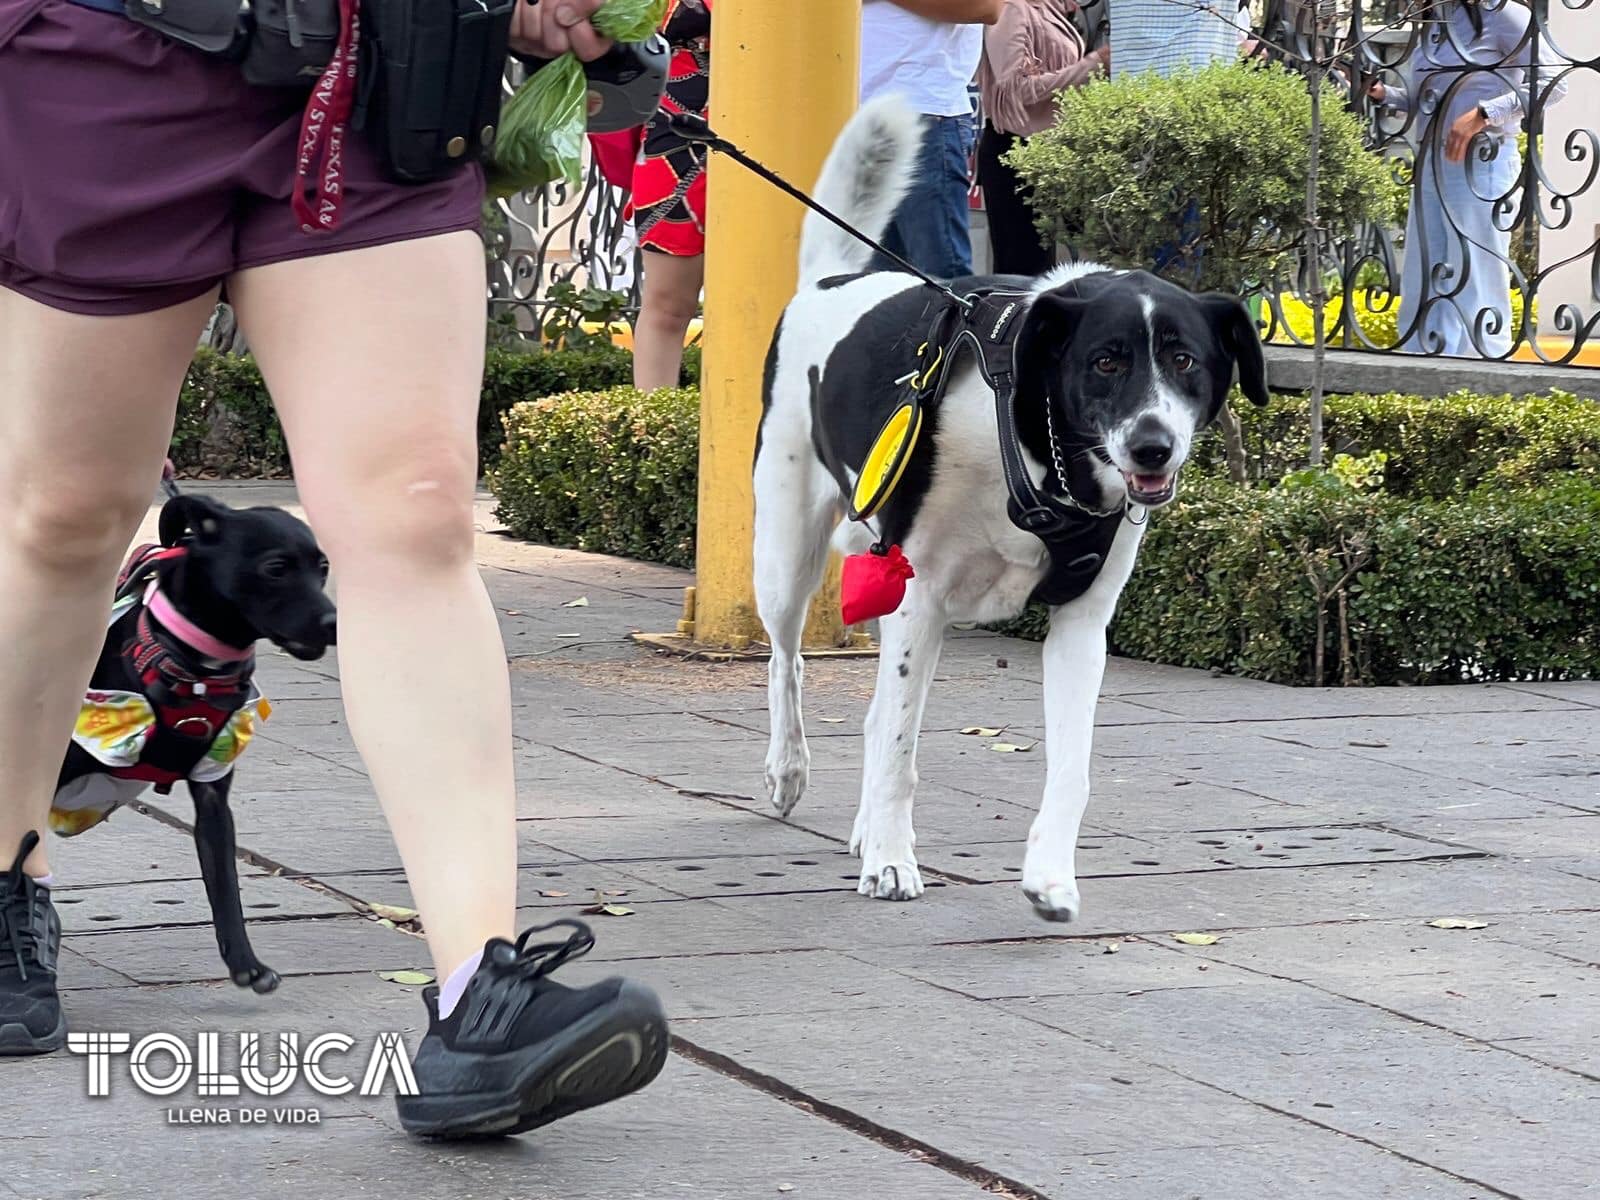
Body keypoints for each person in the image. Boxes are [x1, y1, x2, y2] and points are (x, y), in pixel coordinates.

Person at [0, 0, 667, 1140]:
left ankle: (479, 994)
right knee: (66, 514)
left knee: (416, 510)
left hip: (379, 82)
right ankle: (11, 876)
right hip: (107, 61)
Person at [1368, 0, 1563, 358]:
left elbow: (1553, 84)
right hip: (1431, 159)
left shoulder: (1505, 14)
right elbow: (1426, 101)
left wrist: (1485, 113)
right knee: (1425, 266)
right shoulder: (1435, 22)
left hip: (1482, 159)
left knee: (1475, 265)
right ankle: (1421, 361)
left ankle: (1481, 363)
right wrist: (1384, 95)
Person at [861, 0, 1005, 278]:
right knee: (878, 291)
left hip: (923, 115)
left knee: (944, 285)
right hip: (862, 117)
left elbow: (987, 7)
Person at [976, 0, 1108, 276]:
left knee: (1061, 268)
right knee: (1023, 271)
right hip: (1016, 150)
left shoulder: (1052, 9)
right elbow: (1015, 88)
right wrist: (1092, 65)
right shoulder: (1013, 8)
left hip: (1053, 153)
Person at [629, 0, 711, 391]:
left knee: (771, 296)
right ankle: (654, 435)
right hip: (673, 134)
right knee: (666, 305)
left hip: (782, 124)